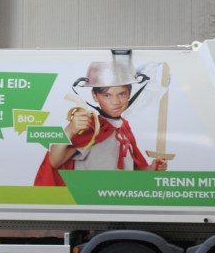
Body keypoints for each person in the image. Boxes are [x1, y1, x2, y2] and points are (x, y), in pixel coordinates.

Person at [34, 56, 166, 186]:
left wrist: (148, 169)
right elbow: (55, 161)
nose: (115, 102)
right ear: (94, 96)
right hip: (90, 199)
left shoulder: (124, 127)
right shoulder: (91, 125)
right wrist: (70, 129)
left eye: (122, 94)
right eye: (107, 95)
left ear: (129, 94)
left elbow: (127, 168)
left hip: (118, 197)